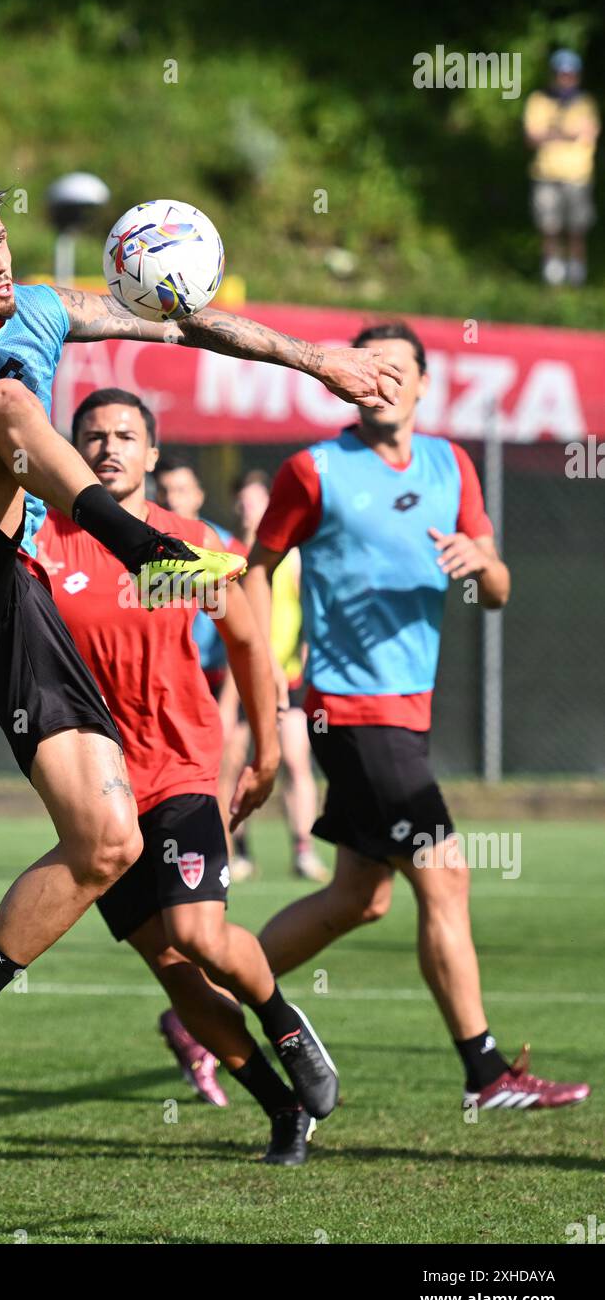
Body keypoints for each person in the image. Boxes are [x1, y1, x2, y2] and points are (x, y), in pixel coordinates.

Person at [0, 174, 400, 1136]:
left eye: (1, 239)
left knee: (108, 841)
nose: (0, 257)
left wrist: (315, 361)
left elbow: (180, 324)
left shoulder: (46, 310)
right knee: (10, 407)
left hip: (6, 594)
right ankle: (139, 543)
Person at [244, 322, 590, 1112]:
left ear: (425, 384)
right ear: (344, 382)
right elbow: (257, 570)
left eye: (399, 369)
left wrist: (483, 565)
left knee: (359, 899)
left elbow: (498, 589)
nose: (383, 381)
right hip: (349, 710)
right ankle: (486, 1073)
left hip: (410, 711)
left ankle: (202, 1002)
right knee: (447, 874)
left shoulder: (450, 463)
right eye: (368, 369)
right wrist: (267, 672)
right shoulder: (314, 470)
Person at [34, 389, 338, 1164]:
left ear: (153, 453)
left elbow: (247, 641)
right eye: (92, 436)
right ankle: (282, 1111)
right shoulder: (44, 546)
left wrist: (267, 751)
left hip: (181, 771)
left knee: (197, 934)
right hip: (101, 794)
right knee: (173, 972)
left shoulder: (181, 542)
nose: (108, 448)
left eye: (125, 436)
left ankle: (285, 1021)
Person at [222, 471, 328, 885]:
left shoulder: (292, 557)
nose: (249, 508)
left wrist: (302, 653)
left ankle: (303, 850)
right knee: (233, 764)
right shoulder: (228, 554)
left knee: (296, 762)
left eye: (257, 500)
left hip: (288, 678)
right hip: (240, 678)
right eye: (243, 501)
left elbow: (311, 609)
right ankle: (237, 853)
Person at [524, 49, 600, 286]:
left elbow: (587, 135)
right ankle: (552, 275)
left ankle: (577, 275)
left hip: (578, 176)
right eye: (560, 74)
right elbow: (532, 136)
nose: (564, 78)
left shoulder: (586, 103)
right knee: (549, 226)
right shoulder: (539, 100)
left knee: (577, 227)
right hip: (546, 173)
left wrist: (551, 134)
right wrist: (567, 133)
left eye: (569, 74)